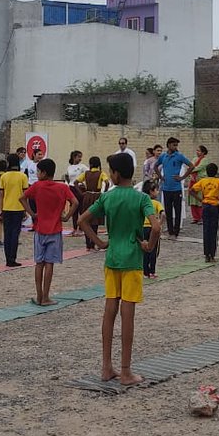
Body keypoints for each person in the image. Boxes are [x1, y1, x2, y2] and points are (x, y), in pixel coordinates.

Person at [79, 153, 160, 386]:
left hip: (112, 257)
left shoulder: (108, 198)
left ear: (115, 173)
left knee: (109, 310)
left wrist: (100, 242)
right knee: (128, 314)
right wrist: (149, 246)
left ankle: (106, 367)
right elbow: (155, 226)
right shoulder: (141, 198)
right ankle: (125, 371)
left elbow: (82, 220)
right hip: (133, 260)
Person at [23, 159, 75, 306]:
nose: (37, 174)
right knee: (50, 263)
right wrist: (66, 216)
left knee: (39, 263)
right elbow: (75, 202)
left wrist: (32, 214)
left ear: (44, 173)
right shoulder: (62, 188)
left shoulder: (37, 186)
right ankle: (46, 296)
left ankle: (39, 296)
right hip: (55, 230)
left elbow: (22, 198)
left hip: (40, 230)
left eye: (38, 171)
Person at [190, 163, 219, 262]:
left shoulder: (203, 181)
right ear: (216, 172)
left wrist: (200, 199)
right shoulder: (218, 181)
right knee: (214, 230)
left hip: (205, 205)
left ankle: (206, 254)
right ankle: (212, 254)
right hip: (214, 205)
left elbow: (191, 190)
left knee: (206, 230)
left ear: (206, 172)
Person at [157, 138, 191, 237]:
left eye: (176, 145)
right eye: (174, 145)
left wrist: (182, 177)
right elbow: (156, 166)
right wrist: (161, 177)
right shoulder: (163, 156)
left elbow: (191, 166)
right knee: (167, 210)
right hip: (166, 188)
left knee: (177, 209)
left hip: (176, 188)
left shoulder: (179, 156)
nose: (175, 147)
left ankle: (176, 231)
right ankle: (170, 230)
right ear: (168, 145)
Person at [0, 154, 29, 266]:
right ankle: (13, 258)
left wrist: (1, 209)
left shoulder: (4, 176)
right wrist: (26, 210)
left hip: (6, 208)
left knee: (7, 234)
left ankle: (8, 259)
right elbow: (25, 194)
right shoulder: (23, 177)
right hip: (19, 208)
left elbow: (1, 195)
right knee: (15, 234)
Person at [77, 156, 110, 249]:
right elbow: (107, 182)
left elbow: (76, 182)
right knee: (95, 220)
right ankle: (93, 243)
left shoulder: (86, 173)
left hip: (87, 196)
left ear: (90, 164)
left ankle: (88, 243)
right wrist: (104, 193)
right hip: (96, 195)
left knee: (85, 219)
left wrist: (81, 193)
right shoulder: (101, 173)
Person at [140, 181, 164, 278]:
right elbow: (163, 214)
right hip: (153, 228)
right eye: (156, 190)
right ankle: (152, 271)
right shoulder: (156, 203)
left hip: (143, 228)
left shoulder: (142, 202)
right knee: (153, 250)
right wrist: (159, 224)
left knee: (145, 249)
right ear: (151, 191)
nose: (158, 192)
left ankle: (145, 272)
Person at [185, 145, 209, 225]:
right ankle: (195, 217)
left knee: (200, 199)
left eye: (199, 151)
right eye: (197, 150)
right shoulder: (194, 159)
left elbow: (198, 168)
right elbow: (190, 166)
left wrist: (190, 170)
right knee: (192, 199)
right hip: (192, 181)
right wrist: (190, 173)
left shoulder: (205, 160)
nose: (197, 152)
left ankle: (202, 217)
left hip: (200, 181)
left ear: (203, 152)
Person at [64, 150, 86, 235]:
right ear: (74, 157)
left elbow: (87, 174)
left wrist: (83, 183)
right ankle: (74, 228)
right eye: (78, 157)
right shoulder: (69, 167)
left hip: (79, 188)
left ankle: (81, 228)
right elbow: (67, 175)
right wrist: (69, 183)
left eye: (81, 157)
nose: (80, 159)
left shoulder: (82, 167)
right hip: (72, 188)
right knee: (73, 208)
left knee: (81, 208)